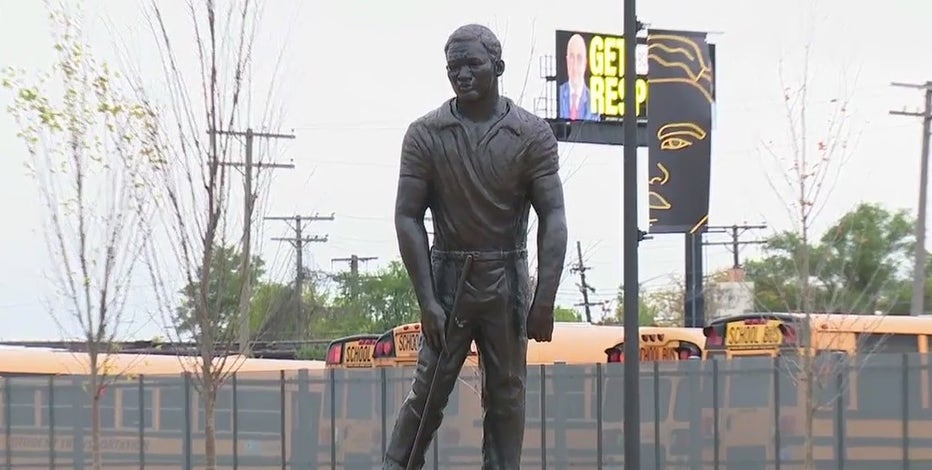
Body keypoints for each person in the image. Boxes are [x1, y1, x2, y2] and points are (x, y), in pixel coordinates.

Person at [383, 23, 568, 470]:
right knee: (427, 391)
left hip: (507, 278)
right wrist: (427, 300)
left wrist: (544, 298)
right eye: (454, 68)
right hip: (449, 278)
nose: (462, 75)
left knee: (507, 393)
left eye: (472, 65)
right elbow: (407, 215)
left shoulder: (532, 134)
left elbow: (554, 216)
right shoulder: (425, 134)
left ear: (497, 67)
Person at [558, 33, 596, 121]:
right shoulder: (559, 94)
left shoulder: (594, 102)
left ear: (585, 63)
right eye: (571, 57)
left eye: (579, 58)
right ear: (567, 60)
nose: (574, 65)